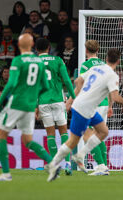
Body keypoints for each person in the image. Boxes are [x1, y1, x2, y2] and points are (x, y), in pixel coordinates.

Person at [46, 49, 123, 182]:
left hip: (89, 107)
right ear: (118, 61)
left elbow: (77, 81)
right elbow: (116, 97)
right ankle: (53, 164)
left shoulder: (95, 68)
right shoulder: (112, 75)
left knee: (103, 131)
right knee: (74, 141)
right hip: (83, 108)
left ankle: (84, 158)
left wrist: (82, 95)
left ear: (106, 59)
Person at [0, 33, 52, 182]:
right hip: (30, 106)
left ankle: (6, 173)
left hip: (16, 103)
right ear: (32, 45)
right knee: (28, 141)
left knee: (0, 137)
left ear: (18, 45)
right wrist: (32, 95)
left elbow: (11, 83)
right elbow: (46, 86)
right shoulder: (38, 62)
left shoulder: (18, 60)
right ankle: (52, 162)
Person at [35, 38, 76, 176]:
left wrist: (35, 106)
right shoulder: (58, 60)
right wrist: (73, 98)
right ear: (48, 48)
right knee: (64, 132)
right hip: (58, 100)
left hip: (43, 102)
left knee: (50, 134)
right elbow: (66, 80)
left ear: (36, 50)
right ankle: (68, 164)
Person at [77, 40, 111, 176]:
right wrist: (110, 105)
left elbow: (81, 85)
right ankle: (105, 166)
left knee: (87, 134)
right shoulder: (104, 64)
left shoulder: (85, 65)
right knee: (99, 135)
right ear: (98, 50)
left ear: (86, 50)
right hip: (104, 103)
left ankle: (101, 166)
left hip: (93, 103)